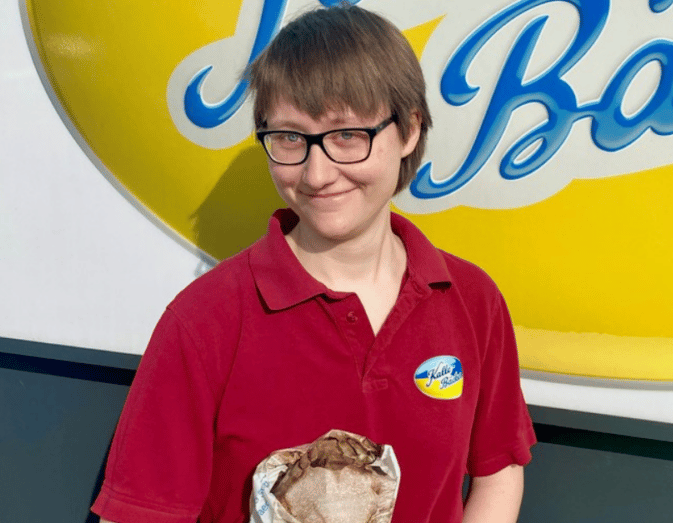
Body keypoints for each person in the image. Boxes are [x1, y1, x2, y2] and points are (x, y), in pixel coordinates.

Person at [92, 5, 535, 523]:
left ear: (410, 130)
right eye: (290, 139)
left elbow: (498, 469)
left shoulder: (470, 300)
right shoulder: (205, 321)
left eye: (348, 135)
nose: (317, 173)